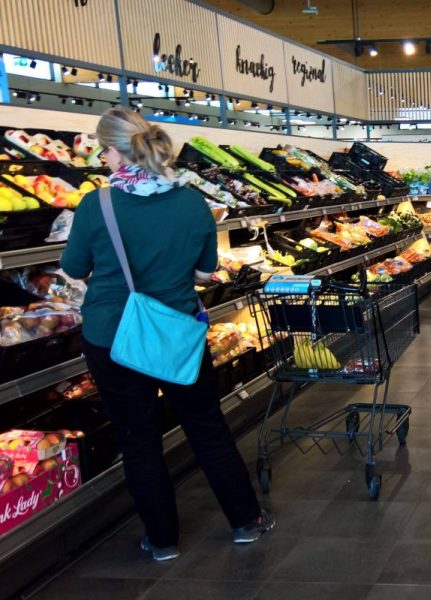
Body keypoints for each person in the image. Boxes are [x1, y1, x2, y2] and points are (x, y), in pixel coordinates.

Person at [61, 108, 273, 561]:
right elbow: (206, 269)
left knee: (138, 439)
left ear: (117, 152)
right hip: (176, 333)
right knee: (207, 428)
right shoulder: (192, 201)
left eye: (104, 150)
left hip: (112, 335)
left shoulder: (96, 204)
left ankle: (161, 540)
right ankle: (245, 522)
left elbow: (74, 269)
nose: (103, 158)